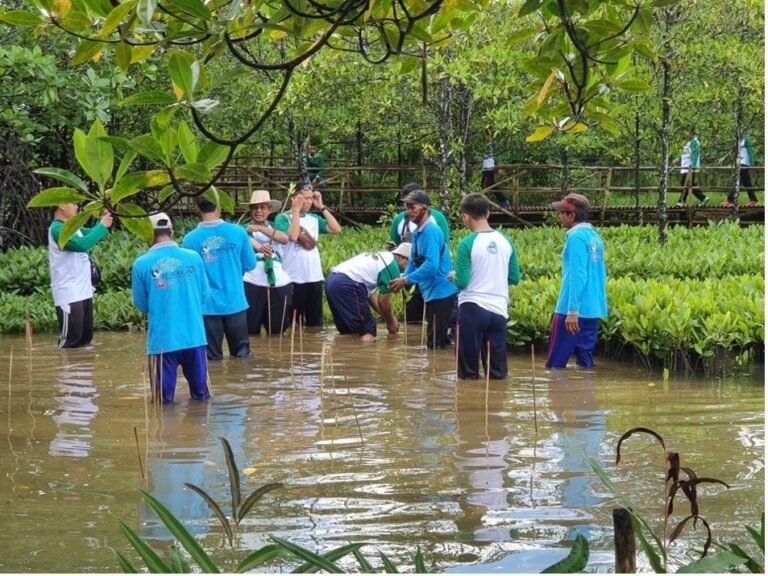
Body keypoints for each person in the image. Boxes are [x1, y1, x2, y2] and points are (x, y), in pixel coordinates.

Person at [131, 213, 210, 404]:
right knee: (202, 399)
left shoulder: (141, 264)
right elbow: (205, 296)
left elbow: (142, 304)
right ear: (172, 232)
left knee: (162, 402)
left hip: (162, 342)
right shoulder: (194, 257)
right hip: (195, 337)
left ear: (147, 234)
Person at [454, 193, 521, 379]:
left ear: (466, 217)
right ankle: (496, 404)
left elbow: (462, 282)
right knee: (498, 373)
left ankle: (470, 403)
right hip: (499, 311)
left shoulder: (467, 243)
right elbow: (514, 278)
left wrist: (454, 276)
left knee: (468, 373)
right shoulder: (506, 241)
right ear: (488, 213)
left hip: (472, 308)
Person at [182, 197, 256, 361]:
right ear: (220, 206)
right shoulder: (238, 232)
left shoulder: (190, 239)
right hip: (235, 301)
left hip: (207, 306)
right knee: (242, 356)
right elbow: (250, 264)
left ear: (197, 208)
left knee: (212, 359)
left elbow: (190, 275)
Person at [389, 189, 457, 349]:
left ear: (425, 209)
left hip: (442, 294)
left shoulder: (431, 231)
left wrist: (406, 279)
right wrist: (403, 279)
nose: (409, 212)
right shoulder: (418, 232)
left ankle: (438, 372)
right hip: (432, 294)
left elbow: (432, 266)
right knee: (434, 343)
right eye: (407, 208)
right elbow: (413, 260)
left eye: (413, 207)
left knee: (436, 345)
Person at [545, 193, 608, 369]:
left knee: (555, 365)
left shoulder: (575, 237)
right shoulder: (595, 236)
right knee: (585, 363)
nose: (560, 217)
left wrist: (572, 310)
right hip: (592, 309)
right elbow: (601, 274)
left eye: (562, 213)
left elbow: (577, 275)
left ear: (572, 216)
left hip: (571, 310)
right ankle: (584, 395)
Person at [274, 181, 342, 327]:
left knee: (315, 324)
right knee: (293, 324)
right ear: (294, 198)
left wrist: (321, 207)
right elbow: (292, 236)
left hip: (314, 277)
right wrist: (296, 211)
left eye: (311, 197)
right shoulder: (282, 218)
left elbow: (336, 229)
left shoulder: (314, 219)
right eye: (305, 198)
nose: (309, 201)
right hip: (293, 278)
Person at [47, 203, 113, 348]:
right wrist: (102, 225)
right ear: (62, 205)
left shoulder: (73, 228)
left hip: (83, 291)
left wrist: (103, 219)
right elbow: (82, 245)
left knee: (85, 338)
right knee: (70, 341)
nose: (77, 206)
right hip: (68, 293)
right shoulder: (57, 229)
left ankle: (84, 370)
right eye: (73, 203)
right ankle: (65, 369)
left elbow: (89, 234)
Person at [326, 243, 411, 342]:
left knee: (350, 332)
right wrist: (390, 321)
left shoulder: (382, 258)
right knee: (368, 330)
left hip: (332, 281)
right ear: (401, 257)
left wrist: (388, 317)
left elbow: (369, 295)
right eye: (411, 263)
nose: (410, 268)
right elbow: (383, 301)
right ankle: (364, 356)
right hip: (348, 284)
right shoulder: (392, 266)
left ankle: (346, 355)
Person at [241, 190, 293, 335]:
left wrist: (259, 228)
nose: (259, 211)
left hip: (278, 282)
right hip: (252, 281)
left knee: (277, 330)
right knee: (251, 329)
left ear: (269, 210)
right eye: (255, 208)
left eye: (263, 207)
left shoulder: (274, 227)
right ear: (250, 211)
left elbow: (284, 238)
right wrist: (259, 247)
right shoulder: (242, 228)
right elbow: (249, 240)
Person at [675, 129, 708, 207]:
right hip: (686, 167)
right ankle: (703, 198)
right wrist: (678, 159)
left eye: (687, 133)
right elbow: (686, 154)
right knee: (689, 185)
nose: (685, 135)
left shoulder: (695, 143)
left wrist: (692, 168)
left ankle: (681, 201)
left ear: (691, 133)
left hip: (689, 168)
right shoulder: (689, 143)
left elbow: (695, 155)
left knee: (685, 184)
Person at [723, 134, 758, 207]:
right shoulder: (738, 141)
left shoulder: (746, 140)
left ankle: (730, 200)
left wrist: (752, 165)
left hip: (744, 164)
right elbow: (732, 151)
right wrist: (723, 158)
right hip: (740, 163)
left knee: (736, 181)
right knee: (747, 182)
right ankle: (753, 200)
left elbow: (750, 153)